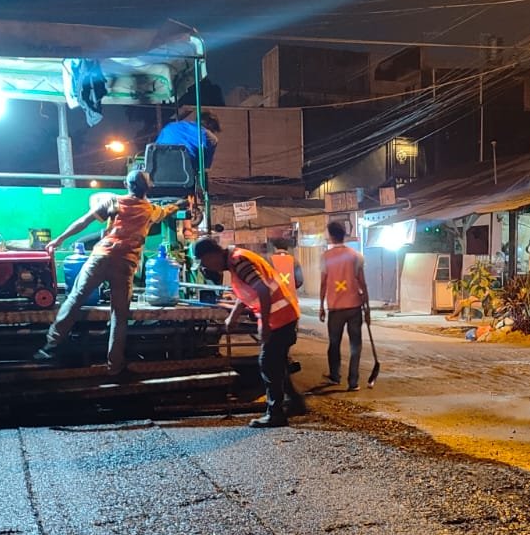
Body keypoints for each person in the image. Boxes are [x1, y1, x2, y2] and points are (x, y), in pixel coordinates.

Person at [35, 169, 181, 373]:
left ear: (125, 185)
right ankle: (114, 365)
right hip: (125, 263)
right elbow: (166, 211)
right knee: (119, 316)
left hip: (100, 257)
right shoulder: (150, 210)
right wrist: (177, 204)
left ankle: (50, 346)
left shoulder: (113, 201)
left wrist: (59, 239)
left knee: (75, 298)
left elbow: (83, 222)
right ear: (149, 188)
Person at [192, 236, 302, 428]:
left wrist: (265, 324)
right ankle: (295, 404)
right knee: (277, 363)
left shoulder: (238, 261)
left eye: (205, 261)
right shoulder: (237, 260)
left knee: (268, 363)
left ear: (212, 255)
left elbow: (262, 290)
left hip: (280, 318)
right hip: (284, 315)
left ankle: (275, 413)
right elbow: (247, 293)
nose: (207, 267)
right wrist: (233, 316)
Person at [318, 220, 368, 390]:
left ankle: (335, 376)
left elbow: (324, 283)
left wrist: (321, 305)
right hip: (355, 306)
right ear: (344, 235)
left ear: (331, 236)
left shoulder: (325, 257)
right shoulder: (356, 255)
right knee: (356, 344)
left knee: (334, 343)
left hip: (335, 308)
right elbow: (363, 283)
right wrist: (367, 309)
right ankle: (353, 382)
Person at [154, 109, 220, 173]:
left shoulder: (171, 126)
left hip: (159, 169)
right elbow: (204, 168)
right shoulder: (210, 137)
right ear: (210, 127)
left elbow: (156, 146)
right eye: (213, 130)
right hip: (184, 174)